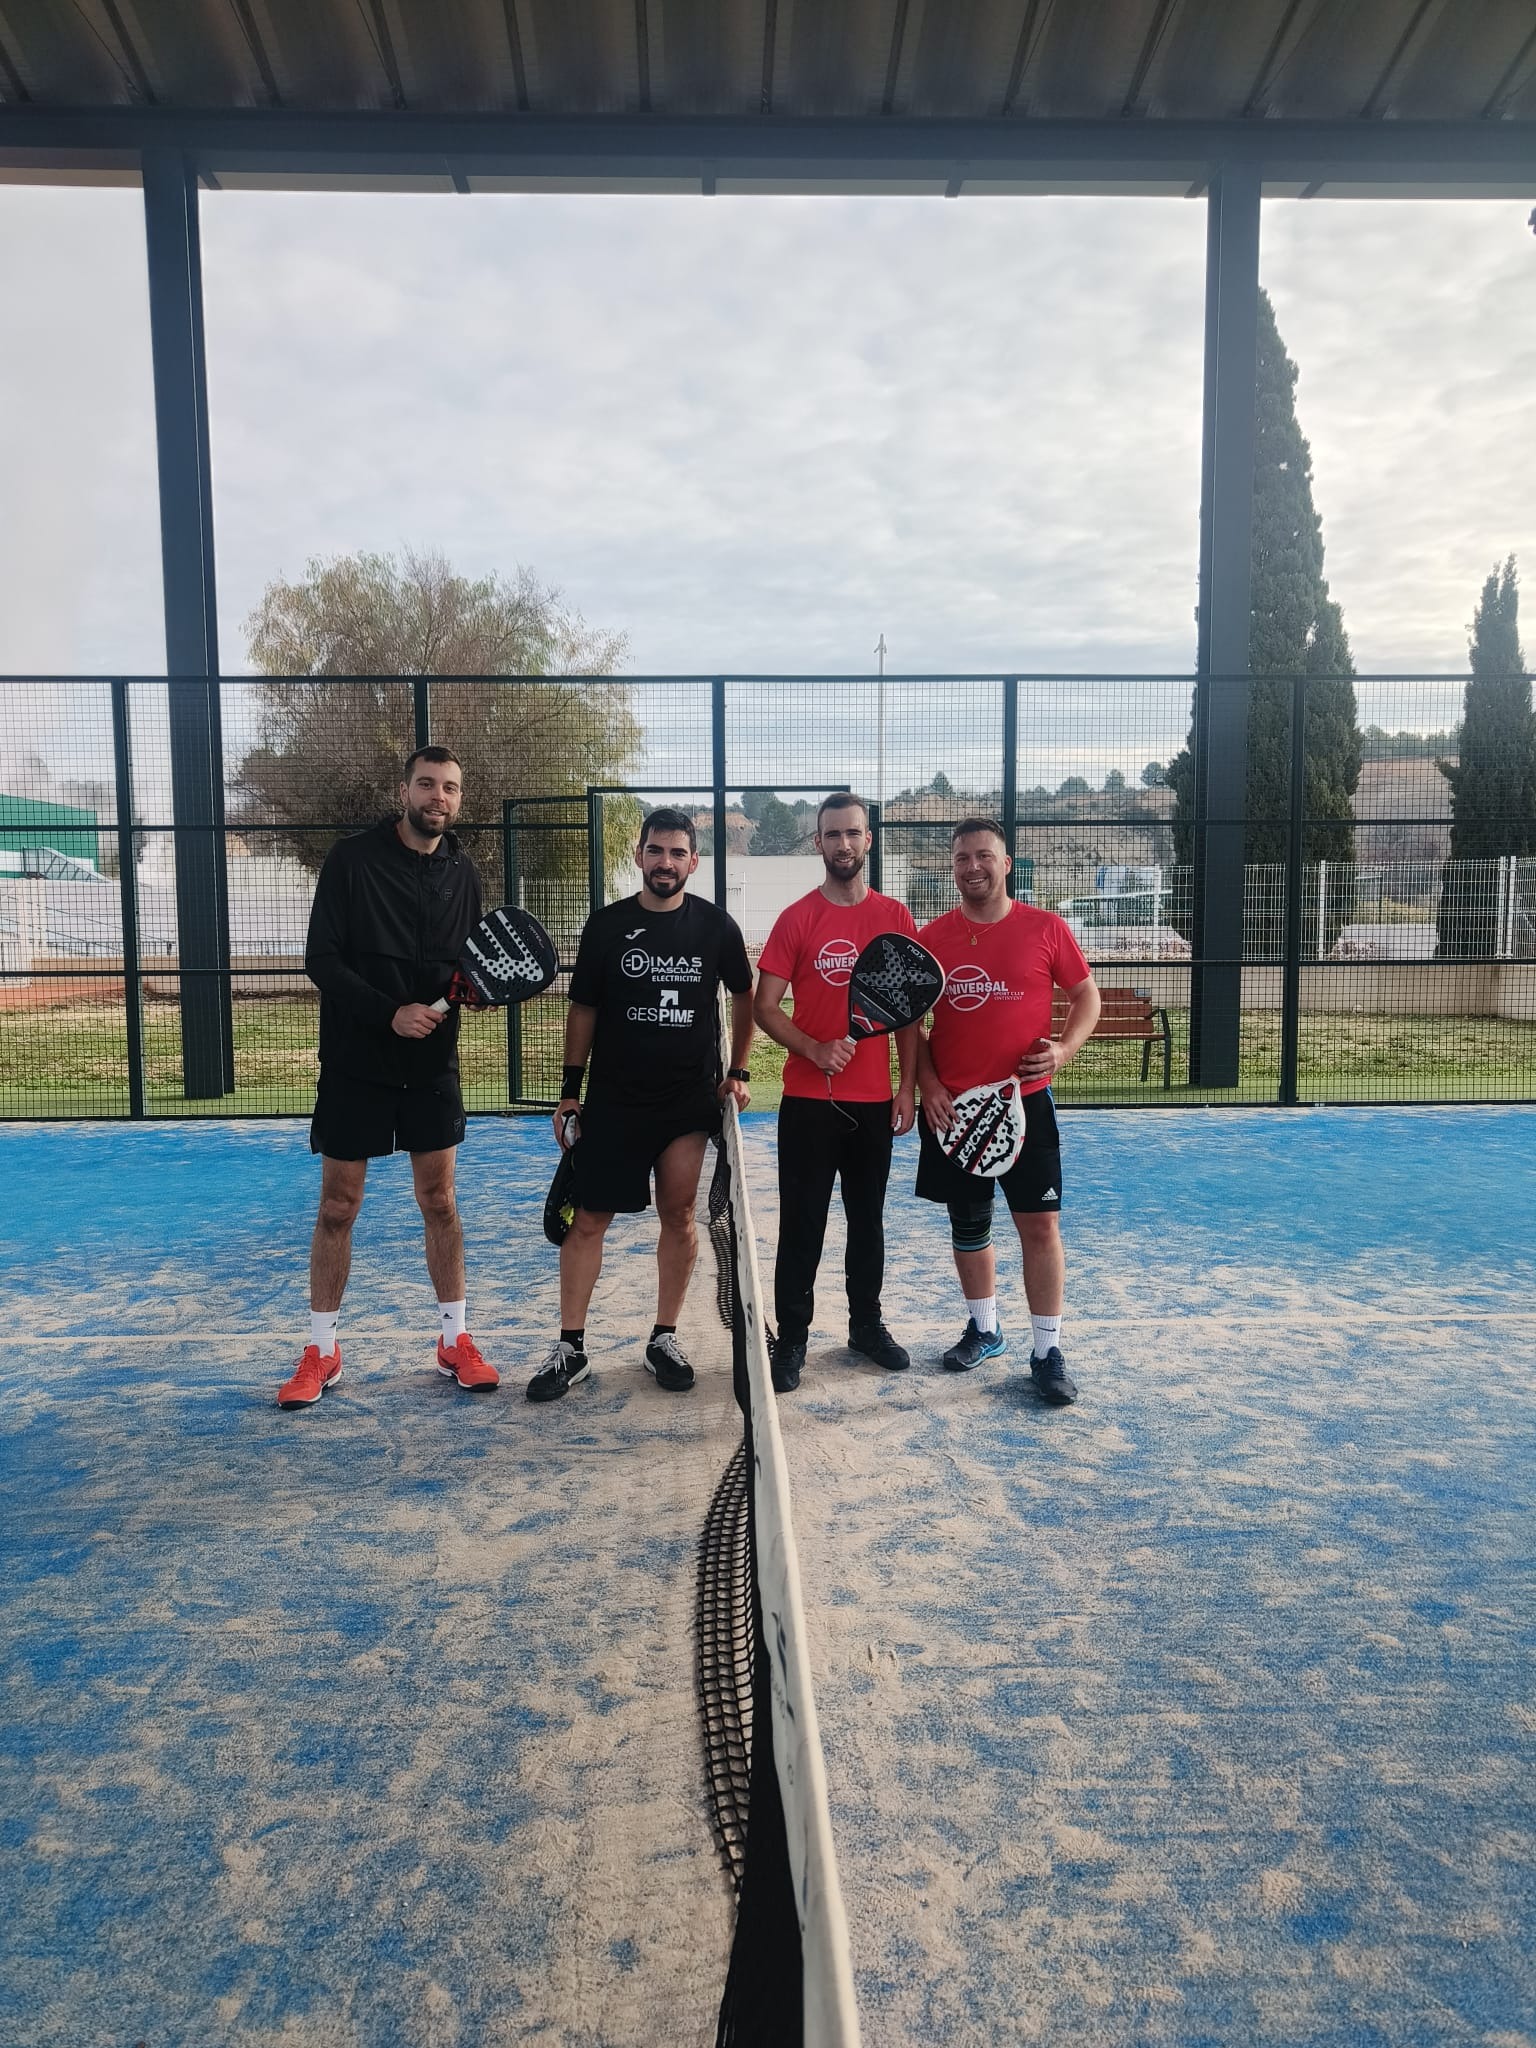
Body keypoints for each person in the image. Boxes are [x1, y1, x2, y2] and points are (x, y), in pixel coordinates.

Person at [277, 745, 498, 1408]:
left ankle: (454, 1341)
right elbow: (322, 959)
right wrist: (389, 1013)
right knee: (337, 1207)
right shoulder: (351, 860)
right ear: (404, 791)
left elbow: (468, 968)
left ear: (459, 799)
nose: (438, 797)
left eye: (450, 788)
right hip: (357, 1064)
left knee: (441, 1202)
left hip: (432, 1067)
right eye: (427, 784)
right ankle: (322, 1350)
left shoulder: (464, 873)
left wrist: (474, 994)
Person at [528, 807, 754, 1402]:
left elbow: (744, 994)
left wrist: (737, 1072)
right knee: (589, 1221)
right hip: (614, 1102)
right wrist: (570, 1092)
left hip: (686, 1105)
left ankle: (663, 1338)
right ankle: (571, 1348)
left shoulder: (716, 927)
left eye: (678, 853)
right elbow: (583, 1009)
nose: (665, 862)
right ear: (639, 855)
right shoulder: (606, 926)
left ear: (694, 862)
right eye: (656, 850)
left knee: (678, 1214)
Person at [915, 818, 1101, 1404]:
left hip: (1026, 1105)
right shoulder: (931, 938)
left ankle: (1047, 1352)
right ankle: (985, 1329)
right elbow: (912, 1026)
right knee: (968, 1225)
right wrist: (927, 1084)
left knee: (1040, 1226)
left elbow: (1086, 995)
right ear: (953, 867)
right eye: (962, 858)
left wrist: (1063, 1050)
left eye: (984, 856)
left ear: (1006, 863)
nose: (973, 867)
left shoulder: (1046, 928)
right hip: (954, 1112)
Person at [752, 792, 918, 1392]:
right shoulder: (797, 918)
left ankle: (865, 1326)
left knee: (867, 1222)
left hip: (874, 1105)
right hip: (808, 1105)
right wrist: (814, 1049)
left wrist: (906, 1087)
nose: (843, 844)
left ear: (867, 840)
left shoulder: (895, 917)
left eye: (853, 833)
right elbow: (765, 1007)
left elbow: (909, 1015)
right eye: (832, 834)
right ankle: (792, 1339)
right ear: (817, 842)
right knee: (803, 1225)